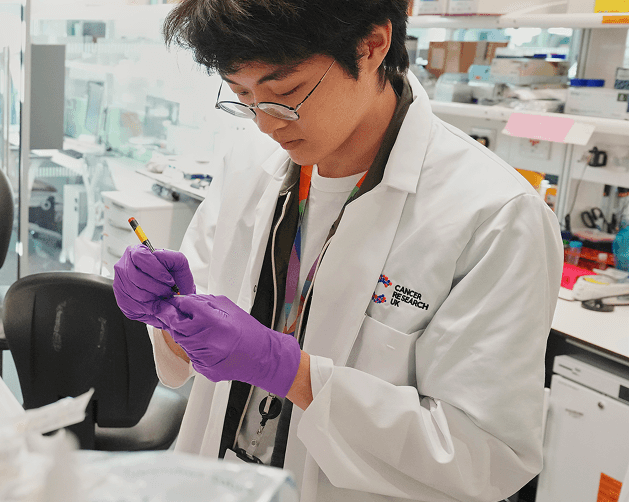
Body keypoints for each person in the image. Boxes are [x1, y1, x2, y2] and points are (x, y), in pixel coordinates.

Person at [112, 1, 563, 501]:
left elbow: (484, 457)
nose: (265, 123)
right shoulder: (249, 164)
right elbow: (189, 361)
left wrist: (291, 373)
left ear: (371, 44)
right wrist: (170, 316)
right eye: (243, 96)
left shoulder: (495, 215)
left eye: (285, 94)